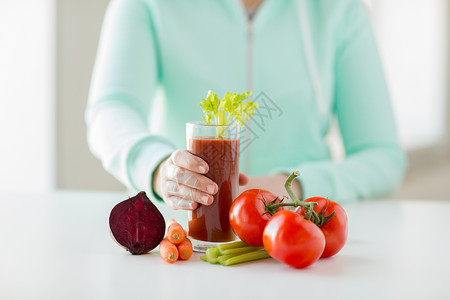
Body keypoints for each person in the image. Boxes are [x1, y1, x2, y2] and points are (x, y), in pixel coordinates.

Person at [86, 0, 407, 210]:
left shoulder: (340, 9)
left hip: (298, 233)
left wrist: (291, 186)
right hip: (187, 234)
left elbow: (383, 156)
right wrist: (159, 170)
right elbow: (111, 108)